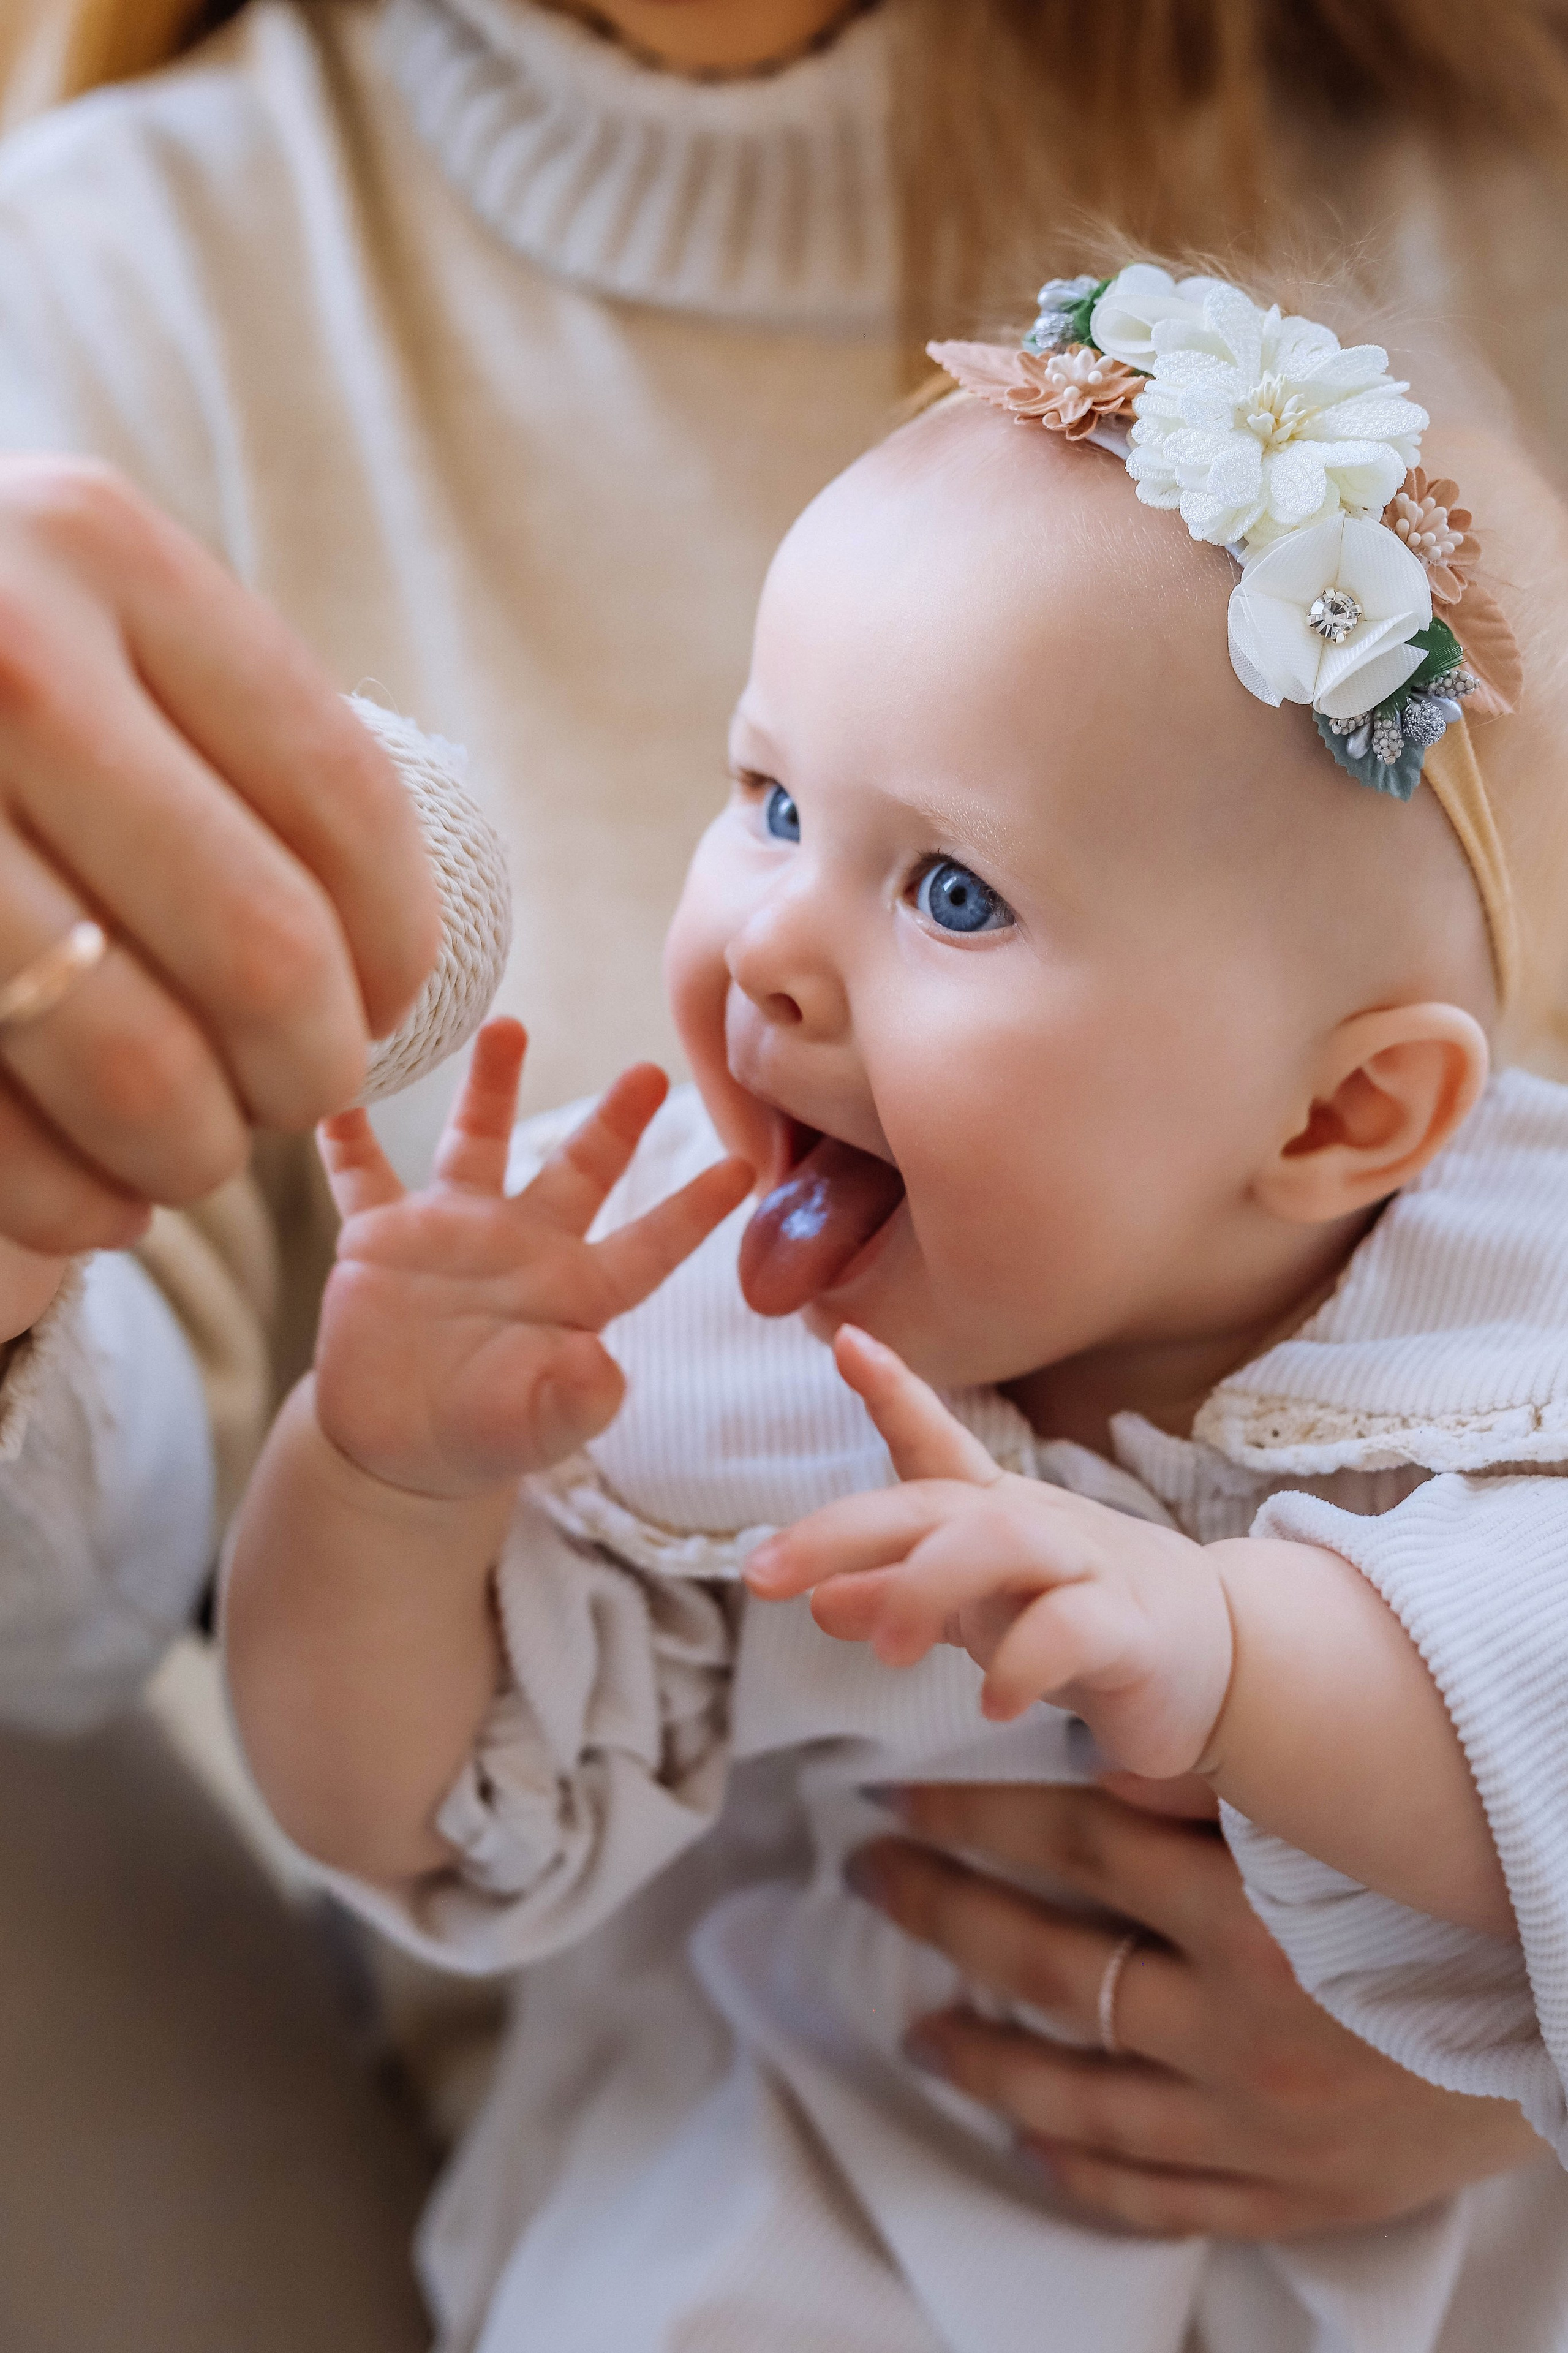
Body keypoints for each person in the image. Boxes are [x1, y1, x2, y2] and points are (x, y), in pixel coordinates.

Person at [0, 0, 1563, 2341]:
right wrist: (393, 1472)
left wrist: (1247, 1680)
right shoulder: (724, 1355)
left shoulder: (1493, 1285)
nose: (769, 955)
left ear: (1345, 1120)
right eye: (766, 804)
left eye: (950, 895)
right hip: (822, 2212)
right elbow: (416, 1811)